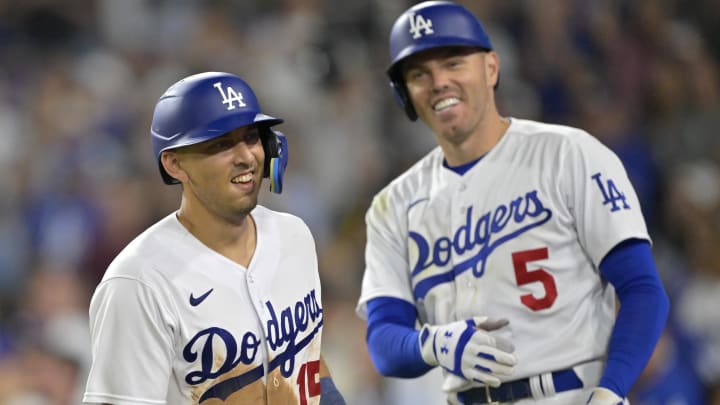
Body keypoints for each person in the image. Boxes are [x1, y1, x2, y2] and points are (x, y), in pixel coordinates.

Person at [355, 2, 669, 404]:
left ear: (491, 68)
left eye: (453, 63)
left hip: (573, 393)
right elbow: (383, 341)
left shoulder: (568, 155)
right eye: (419, 74)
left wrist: (612, 390)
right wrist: (432, 345)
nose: (438, 82)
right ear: (404, 95)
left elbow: (643, 288)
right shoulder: (392, 205)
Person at [83, 71, 345, 405]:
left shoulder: (295, 236)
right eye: (221, 144)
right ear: (175, 164)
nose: (246, 156)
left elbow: (309, 361)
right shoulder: (138, 281)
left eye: (251, 137)